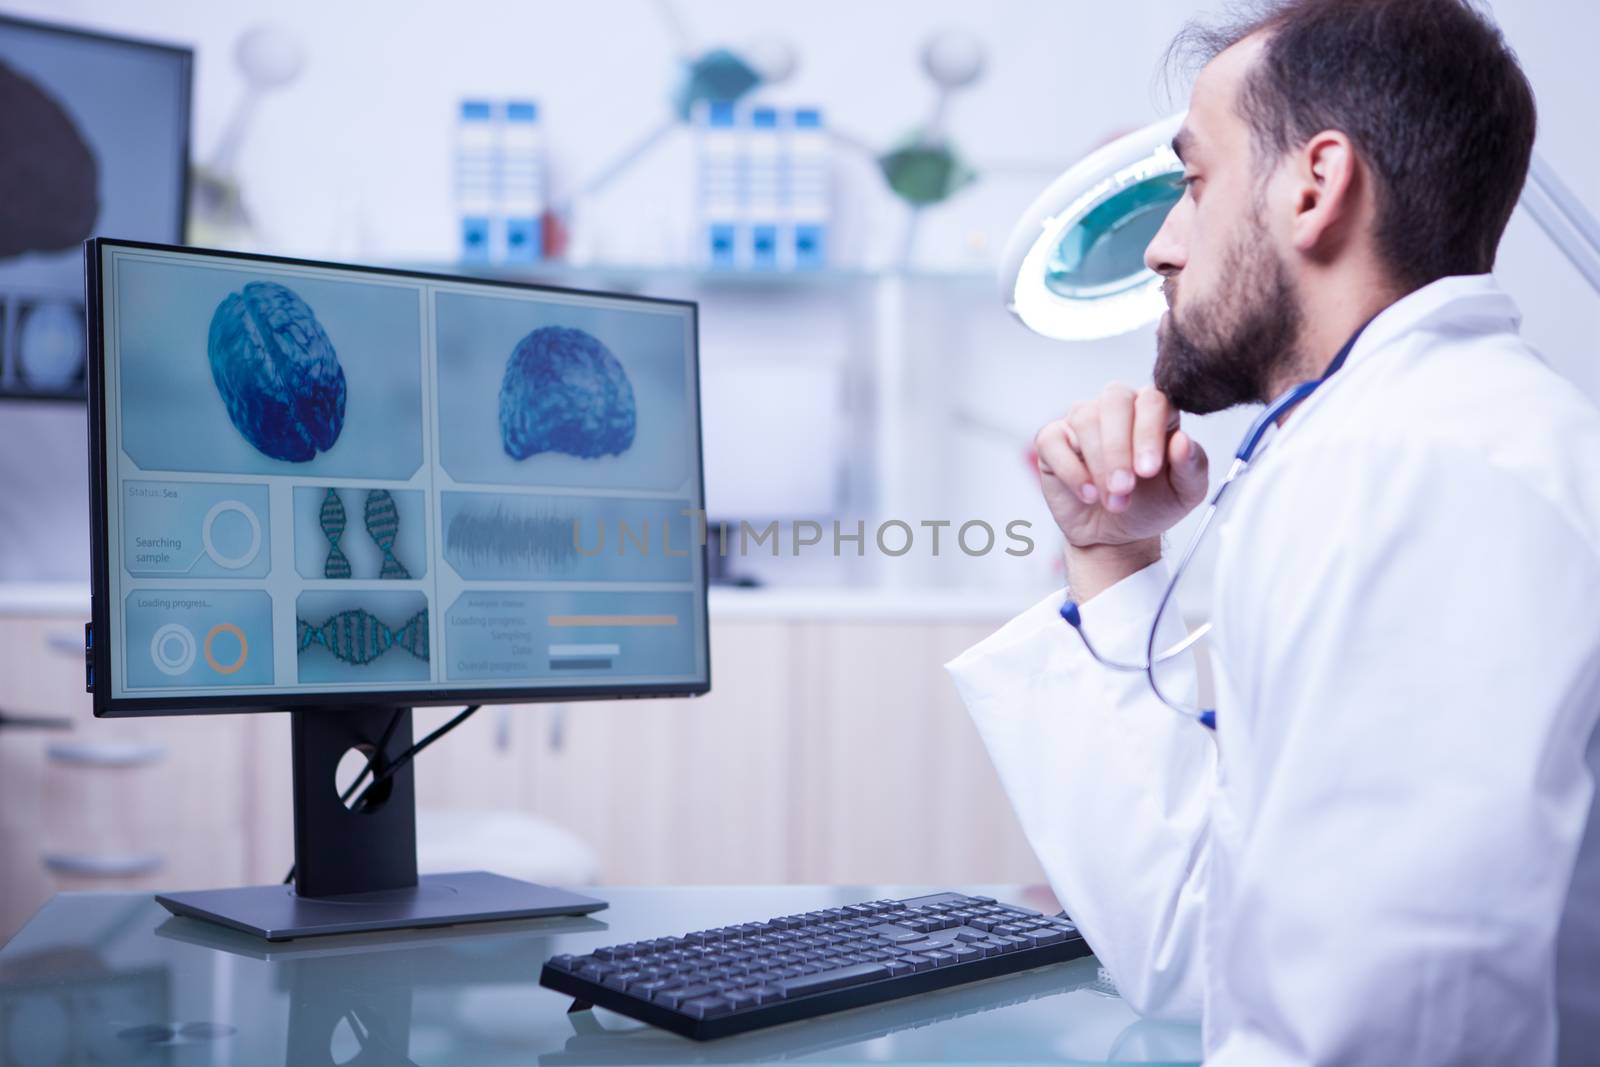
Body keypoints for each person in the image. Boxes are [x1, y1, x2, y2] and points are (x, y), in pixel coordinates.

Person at [945, 1, 1600, 1063]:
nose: (1161, 246)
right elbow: (1190, 948)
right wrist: (1113, 556)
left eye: (1193, 185)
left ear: (1315, 184)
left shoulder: (1420, 472)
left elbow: (1393, 1027)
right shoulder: (1358, 451)